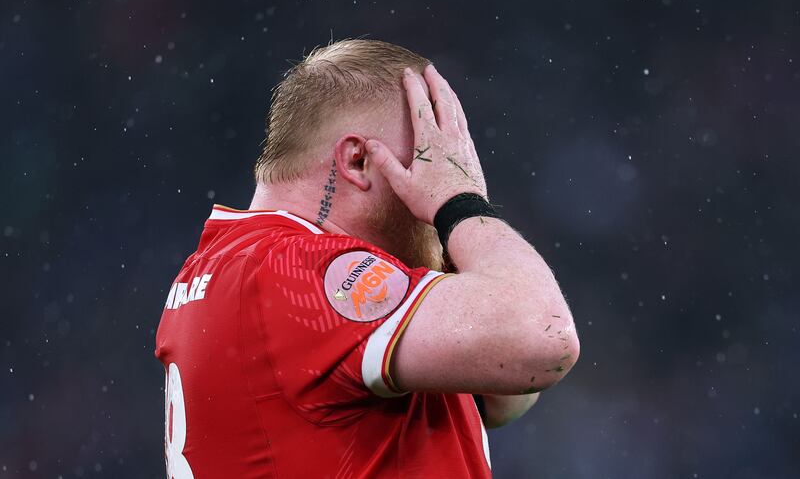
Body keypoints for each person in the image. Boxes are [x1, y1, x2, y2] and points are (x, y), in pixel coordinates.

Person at [154, 38, 580, 478]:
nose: (435, 183)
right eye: (427, 162)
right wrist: (460, 202)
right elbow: (542, 342)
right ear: (357, 160)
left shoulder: (228, 266)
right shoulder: (295, 268)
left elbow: (503, 389)